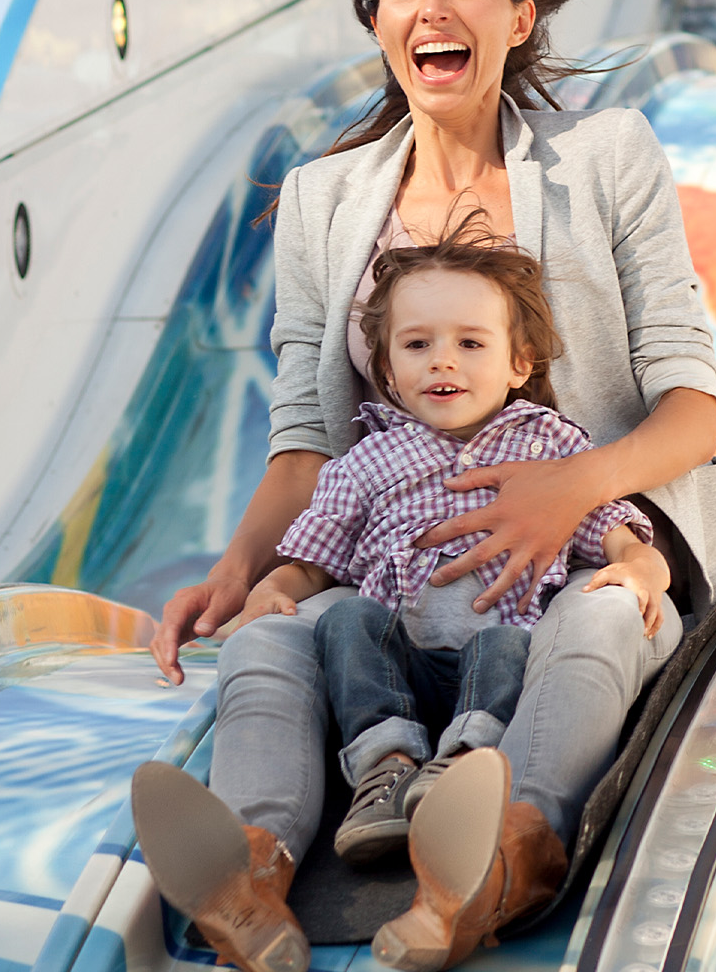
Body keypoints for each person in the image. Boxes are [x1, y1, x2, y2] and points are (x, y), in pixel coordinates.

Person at [135, 0, 716, 972]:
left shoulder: (607, 155)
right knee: (274, 639)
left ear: (519, 19)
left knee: (598, 620)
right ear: (376, 19)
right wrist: (239, 573)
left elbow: (694, 409)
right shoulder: (326, 202)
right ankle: (254, 871)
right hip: (393, 575)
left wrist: (573, 494)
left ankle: (510, 847)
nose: (434, 8)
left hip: (593, 555)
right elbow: (309, 441)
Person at [248, 224, 670, 867]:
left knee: (503, 648)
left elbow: (603, 522)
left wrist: (640, 563)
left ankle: (463, 771)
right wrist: (276, 586)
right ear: (387, 369)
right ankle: (385, 772)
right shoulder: (369, 458)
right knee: (346, 619)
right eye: (418, 344)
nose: (443, 361)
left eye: (471, 343)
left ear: (517, 363)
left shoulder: (547, 445)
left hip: (502, 657)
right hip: (401, 662)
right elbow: (315, 559)